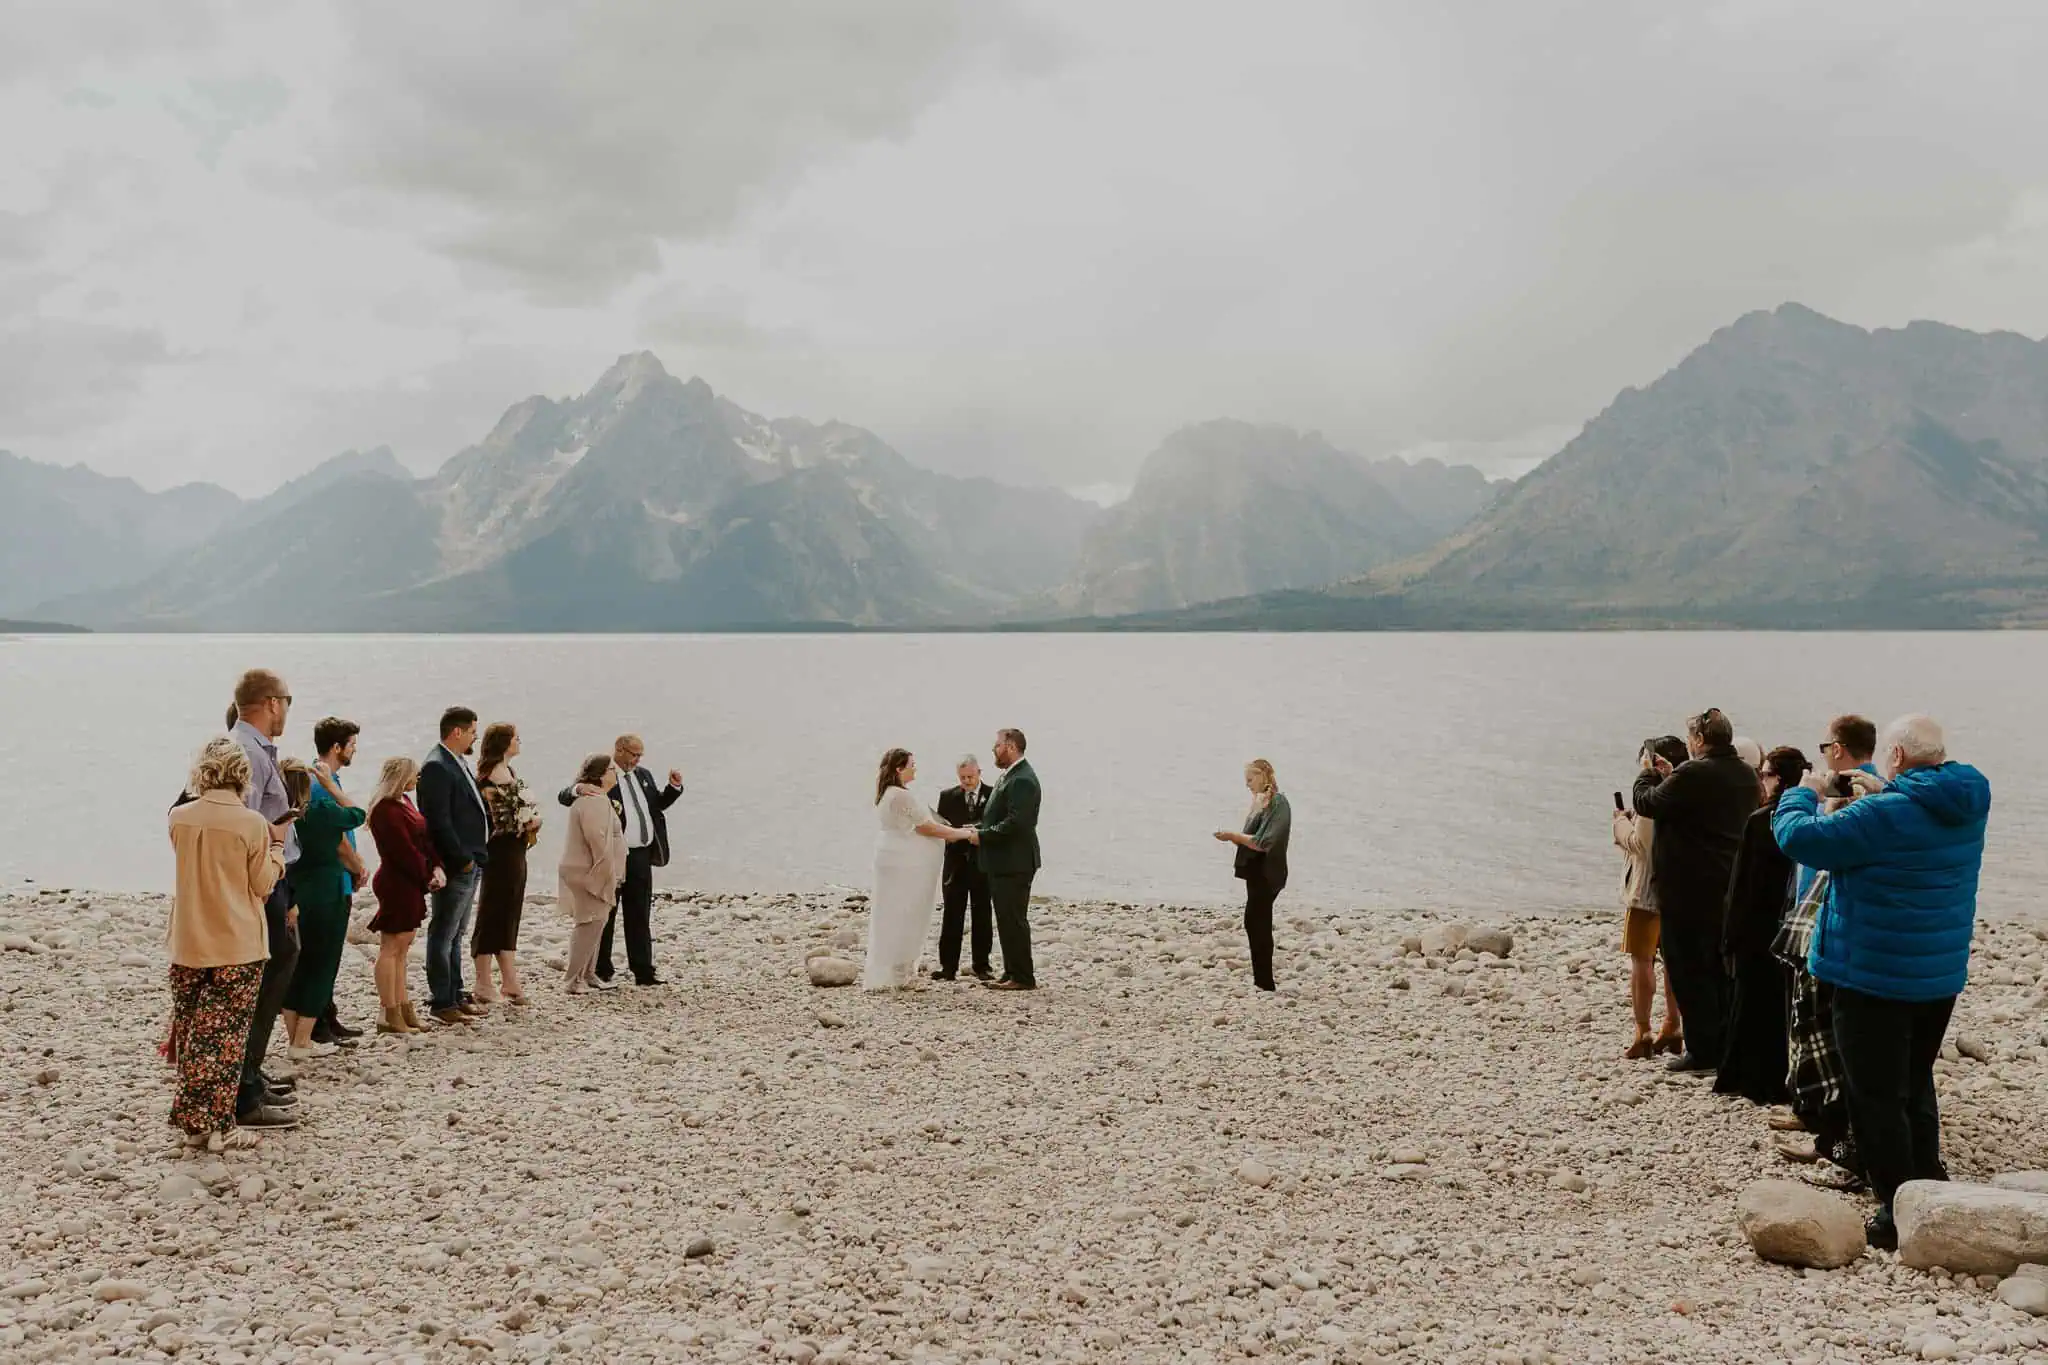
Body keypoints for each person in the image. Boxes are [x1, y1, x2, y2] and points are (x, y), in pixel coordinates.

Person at [1773, 714, 1990, 1250]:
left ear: (1894, 757)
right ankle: (1927, 1180)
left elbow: (1801, 839)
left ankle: (1896, 1210)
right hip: (1935, 975)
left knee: (1874, 1096)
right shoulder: (1965, 801)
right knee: (1914, 1081)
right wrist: (1885, 792)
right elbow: (1910, 826)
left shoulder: (1883, 813)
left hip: (1872, 975)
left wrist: (1803, 793)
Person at [167, 738, 286, 1150]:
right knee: (227, 1039)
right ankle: (219, 1123)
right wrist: (277, 849)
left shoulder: (179, 818)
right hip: (236, 942)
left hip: (188, 940)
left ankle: (194, 1122)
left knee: (193, 1035)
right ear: (242, 775)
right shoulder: (251, 823)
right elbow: (263, 885)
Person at [1631, 707, 1761, 1074]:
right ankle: (1723, 1045)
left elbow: (1648, 803)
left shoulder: (1696, 772)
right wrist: (1674, 777)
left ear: (1700, 741)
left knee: (1689, 968)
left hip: (1688, 887)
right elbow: (1697, 802)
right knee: (1718, 969)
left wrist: (1646, 772)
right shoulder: (1744, 774)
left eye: (1690, 739)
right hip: (1727, 882)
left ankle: (1702, 1050)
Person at [226, 669, 303, 1129]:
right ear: (272, 702)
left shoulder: (253, 749)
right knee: (268, 973)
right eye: (287, 701)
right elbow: (249, 827)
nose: (287, 711)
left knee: (278, 968)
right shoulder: (248, 753)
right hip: (265, 881)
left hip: (274, 878)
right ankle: (244, 1086)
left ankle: (249, 1074)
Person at [1714, 746, 1809, 1105]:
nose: (1762, 780)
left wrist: (1730, 934)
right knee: (1781, 1008)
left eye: (1766, 774)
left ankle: (1748, 1077)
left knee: (1752, 1004)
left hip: (1757, 926)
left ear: (1779, 779)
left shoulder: (1762, 820)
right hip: (1790, 925)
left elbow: (1742, 886)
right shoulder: (1806, 820)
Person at [557, 734, 683, 987]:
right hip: (612, 856)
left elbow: (655, 805)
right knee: (606, 911)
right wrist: (577, 789)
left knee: (640, 913)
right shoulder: (603, 775)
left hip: (641, 854)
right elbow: (565, 796)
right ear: (619, 750)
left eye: (640, 755)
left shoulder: (643, 775)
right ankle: (600, 969)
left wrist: (673, 789)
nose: (637, 760)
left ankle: (643, 970)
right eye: (633, 754)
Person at [279, 752, 368, 1061]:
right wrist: (330, 785)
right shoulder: (321, 810)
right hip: (327, 892)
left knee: (298, 965)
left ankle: (294, 1037)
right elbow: (357, 813)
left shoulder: (281, 817)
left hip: (294, 893)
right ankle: (302, 1041)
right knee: (322, 965)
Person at [868, 749, 973, 990]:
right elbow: (928, 828)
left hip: (888, 856)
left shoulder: (886, 794)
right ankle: (901, 972)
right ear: (899, 769)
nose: (915, 768)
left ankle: (894, 970)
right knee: (907, 912)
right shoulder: (901, 796)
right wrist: (964, 833)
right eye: (912, 764)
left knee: (890, 912)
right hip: (904, 862)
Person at [1613, 735, 1690, 1059]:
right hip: (1678, 887)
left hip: (1645, 891)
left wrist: (1619, 826)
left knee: (1642, 960)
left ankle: (1643, 1029)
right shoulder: (1688, 791)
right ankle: (1674, 1023)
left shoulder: (1652, 798)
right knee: (1673, 960)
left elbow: (1641, 845)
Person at [417, 707, 490, 1025]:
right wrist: (461, 859)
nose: (476, 736)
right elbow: (438, 821)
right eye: (473, 730)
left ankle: (457, 992)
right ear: (456, 732)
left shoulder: (457, 762)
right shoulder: (436, 766)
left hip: (472, 860)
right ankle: (442, 999)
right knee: (443, 932)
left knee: (458, 932)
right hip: (458, 863)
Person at [365, 757, 444, 1034]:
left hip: (411, 879)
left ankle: (403, 1005)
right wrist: (426, 877)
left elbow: (423, 839)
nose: (417, 779)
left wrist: (436, 865)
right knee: (391, 946)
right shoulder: (385, 810)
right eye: (413, 775)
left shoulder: (405, 803)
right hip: (396, 880)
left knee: (404, 947)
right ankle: (389, 1011)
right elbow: (402, 851)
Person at [966, 728, 1041, 991]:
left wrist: (983, 837)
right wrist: (976, 828)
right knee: (1005, 917)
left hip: (1015, 862)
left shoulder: (1022, 779)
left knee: (1014, 918)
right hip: (1003, 861)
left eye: (997, 745)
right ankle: (1011, 970)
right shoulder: (1009, 775)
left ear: (1010, 746)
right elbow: (999, 816)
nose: (993, 750)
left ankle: (1022, 976)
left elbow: (1017, 823)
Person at [308, 719, 367, 1046]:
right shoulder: (322, 784)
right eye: (352, 744)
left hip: (339, 876)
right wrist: (356, 866)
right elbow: (336, 837)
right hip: (332, 878)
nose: (354, 749)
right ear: (337, 747)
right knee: (324, 953)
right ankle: (317, 1023)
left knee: (330, 954)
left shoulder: (328, 780)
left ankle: (327, 1015)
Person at [472, 723, 540, 1005]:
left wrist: (531, 821)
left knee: (511, 908)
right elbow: (493, 819)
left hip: (515, 848)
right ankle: (483, 981)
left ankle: (510, 980)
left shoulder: (510, 772)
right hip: (498, 850)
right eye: (515, 738)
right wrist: (524, 821)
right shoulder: (487, 778)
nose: (519, 741)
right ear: (503, 743)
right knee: (492, 910)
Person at [1213, 759, 1292, 992]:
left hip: (1268, 872)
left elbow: (1263, 842)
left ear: (1262, 776)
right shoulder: (1261, 801)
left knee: (1258, 922)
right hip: (1257, 871)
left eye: (1250, 779)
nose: (1247, 785)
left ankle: (1265, 982)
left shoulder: (1278, 802)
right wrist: (1235, 836)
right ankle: (1262, 980)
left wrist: (1232, 836)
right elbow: (1252, 837)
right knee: (1255, 921)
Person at [559, 754, 628, 995]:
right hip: (590, 871)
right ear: (599, 775)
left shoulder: (602, 799)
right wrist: (607, 872)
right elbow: (598, 841)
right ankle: (572, 979)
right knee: (588, 922)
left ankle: (588, 973)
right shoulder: (592, 801)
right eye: (611, 769)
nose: (615, 773)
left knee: (599, 922)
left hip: (601, 870)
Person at [932, 756, 995, 981]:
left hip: (982, 863)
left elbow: (996, 824)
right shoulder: (947, 796)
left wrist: (976, 830)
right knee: (952, 914)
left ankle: (982, 965)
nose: (967, 781)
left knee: (982, 913)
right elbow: (941, 827)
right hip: (955, 863)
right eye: (962, 778)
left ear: (979, 772)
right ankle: (948, 967)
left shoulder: (993, 793)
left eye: (970, 777)